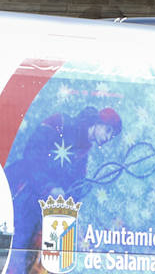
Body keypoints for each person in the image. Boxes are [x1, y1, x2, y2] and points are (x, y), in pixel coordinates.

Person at [5, 106, 122, 273]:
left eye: (112, 135)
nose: (108, 137)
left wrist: (77, 194)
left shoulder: (83, 156)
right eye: (108, 130)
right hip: (21, 195)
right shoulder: (61, 122)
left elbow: (71, 193)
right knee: (14, 248)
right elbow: (32, 154)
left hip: (42, 213)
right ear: (97, 121)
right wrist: (49, 187)